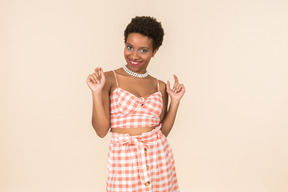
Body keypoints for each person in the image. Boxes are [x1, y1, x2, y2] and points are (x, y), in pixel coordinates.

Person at [86, 16, 185, 192]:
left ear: (155, 51)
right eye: (130, 47)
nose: (134, 55)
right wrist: (96, 92)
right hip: (125, 160)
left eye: (143, 50)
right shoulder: (109, 79)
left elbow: (162, 133)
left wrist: (175, 102)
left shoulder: (160, 86)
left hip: (158, 158)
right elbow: (101, 131)